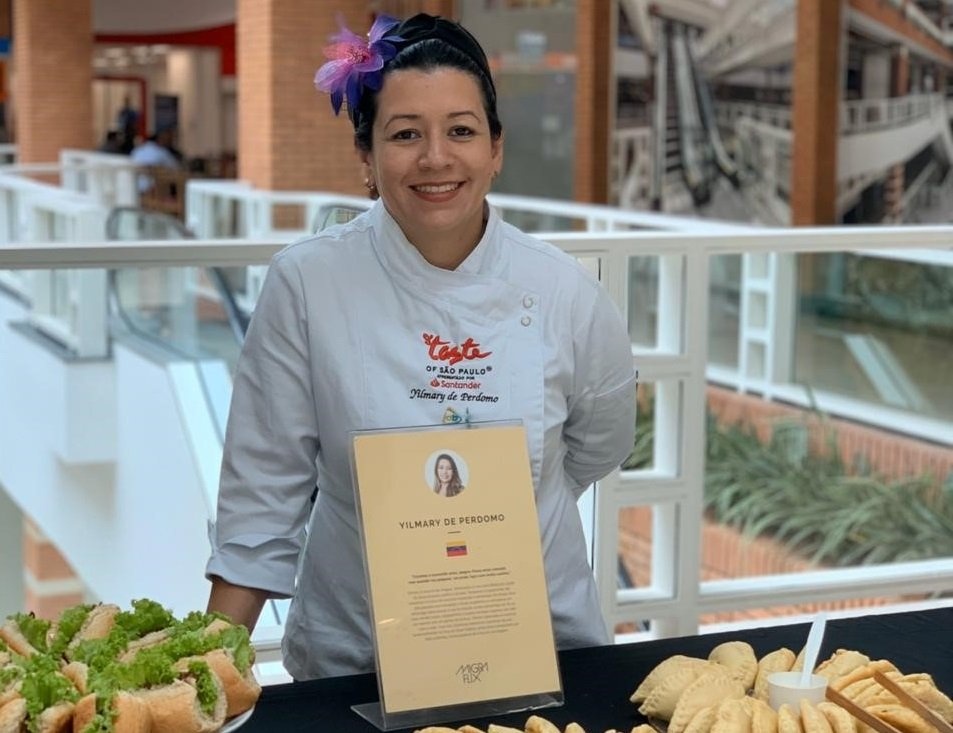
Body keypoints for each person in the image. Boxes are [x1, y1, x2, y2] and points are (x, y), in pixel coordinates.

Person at [205, 12, 637, 680]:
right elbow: (263, 490)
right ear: (366, 158)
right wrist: (206, 667)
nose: (435, 157)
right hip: (355, 660)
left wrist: (510, 497)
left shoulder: (562, 291)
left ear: (495, 148)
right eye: (405, 134)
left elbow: (599, 442)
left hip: (539, 648)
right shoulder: (309, 282)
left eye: (460, 130)